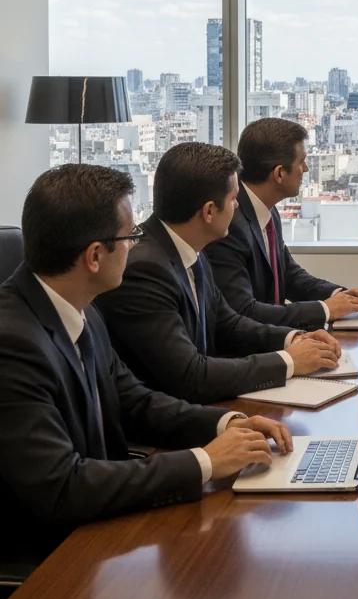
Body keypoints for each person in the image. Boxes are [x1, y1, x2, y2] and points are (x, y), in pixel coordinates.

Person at [0, 164, 293, 570]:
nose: (136, 246)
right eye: (130, 236)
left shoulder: (79, 309)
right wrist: (205, 462)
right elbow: (62, 487)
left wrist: (225, 425)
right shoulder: (12, 343)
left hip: (103, 526)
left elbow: (133, 400)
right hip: (49, 561)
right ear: (94, 256)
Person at [95, 143, 342, 404]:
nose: (237, 206)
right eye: (234, 199)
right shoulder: (145, 270)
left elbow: (227, 324)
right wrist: (288, 362)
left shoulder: (190, 248)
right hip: (166, 427)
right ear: (209, 211)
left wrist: (293, 339)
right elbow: (191, 376)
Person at [205, 118, 358, 328]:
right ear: (279, 173)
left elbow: (288, 274)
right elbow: (244, 311)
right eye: (301, 162)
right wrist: (325, 309)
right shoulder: (230, 224)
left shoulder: (267, 211)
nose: (305, 169)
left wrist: (339, 295)